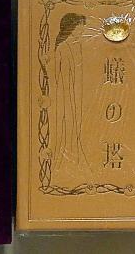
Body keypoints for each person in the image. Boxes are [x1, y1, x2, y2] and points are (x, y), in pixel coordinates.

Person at [53, 13, 88, 173]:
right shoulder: (62, 48)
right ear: (71, 28)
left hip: (76, 92)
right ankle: (64, 160)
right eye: (79, 28)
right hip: (64, 93)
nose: (81, 32)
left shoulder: (77, 47)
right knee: (66, 124)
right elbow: (55, 76)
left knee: (76, 123)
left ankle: (76, 157)